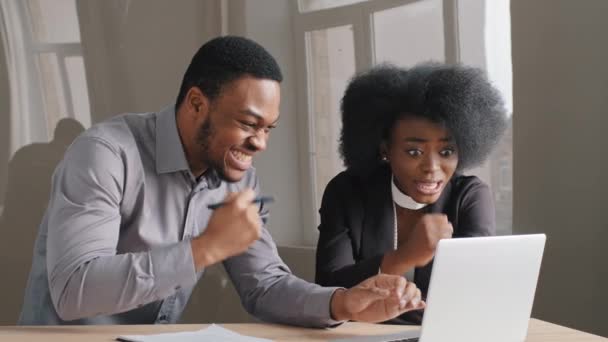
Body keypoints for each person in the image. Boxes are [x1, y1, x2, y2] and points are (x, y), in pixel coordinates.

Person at [18, 36, 425, 327]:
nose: (260, 143)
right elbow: (74, 291)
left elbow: (264, 285)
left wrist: (342, 304)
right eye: (249, 124)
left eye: (269, 128)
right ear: (197, 103)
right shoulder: (105, 154)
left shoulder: (236, 176)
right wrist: (204, 248)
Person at [315, 63, 508, 324]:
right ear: (385, 149)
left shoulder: (469, 197)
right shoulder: (347, 193)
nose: (432, 168)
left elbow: (471, 295)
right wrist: (406, 256)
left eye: (446, 152)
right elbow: (328, 289)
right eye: (414, 152)